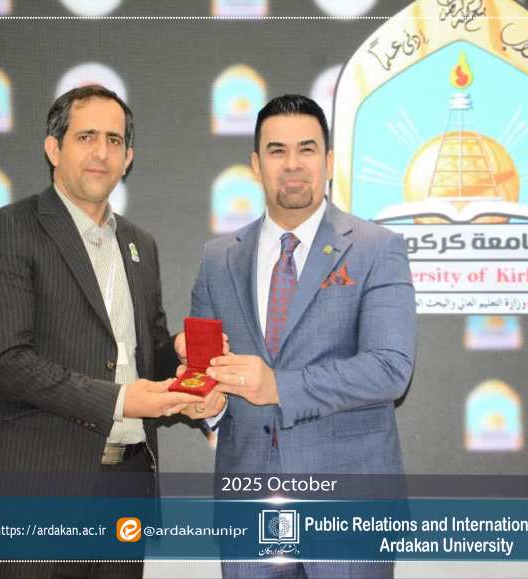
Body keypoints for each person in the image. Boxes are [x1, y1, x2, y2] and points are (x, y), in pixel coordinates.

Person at [0, 85, 212, 579]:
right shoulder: (11, 228)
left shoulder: (141, 245)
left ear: (128, 158)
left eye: (114, 140)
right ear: (53, 149)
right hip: (35, 491)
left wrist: (180, 360)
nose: (102, 151)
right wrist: (120, 401)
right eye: (86, 137)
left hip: (126, 487)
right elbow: (9, 362)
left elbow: (144, 355)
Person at [188, 94, 417, 578]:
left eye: (306, 149)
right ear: (256, 165)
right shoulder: (217, 259)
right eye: (277, 150)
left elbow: (390, 368)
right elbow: (205, 367)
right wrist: (207, 402)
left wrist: (279, 386)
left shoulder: (377, 249)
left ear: (329, 161)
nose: (292, 164)